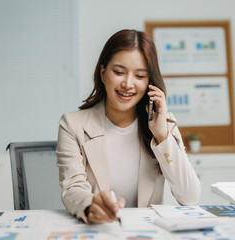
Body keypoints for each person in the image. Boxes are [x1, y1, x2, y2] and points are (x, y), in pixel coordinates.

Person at [57, 29, 201, 224]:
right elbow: (72, 188)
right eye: (118, 72)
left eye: (140, 76)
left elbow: (189, 197)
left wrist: (162, 137)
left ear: (150, 82)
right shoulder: (72, 124)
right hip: (98, 230)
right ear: (102, 73)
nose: (127, 84)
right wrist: (92, 206)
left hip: (147, 232)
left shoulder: (164, 126)